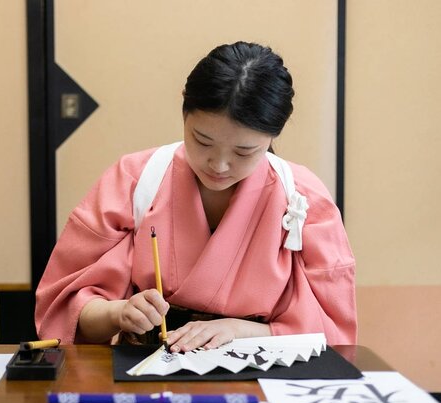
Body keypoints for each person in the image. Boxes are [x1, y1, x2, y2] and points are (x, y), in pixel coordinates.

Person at [35, 41, 357, 353]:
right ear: (184, 111)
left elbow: (332, 335)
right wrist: (119, 313)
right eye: (202, 141)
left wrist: (237, 329)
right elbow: (65, 311)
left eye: (244, 151)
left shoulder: (302, 199)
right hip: (149, 366)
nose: (219, 165)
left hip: (261, 372)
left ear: (273, 134)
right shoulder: (135, 181)